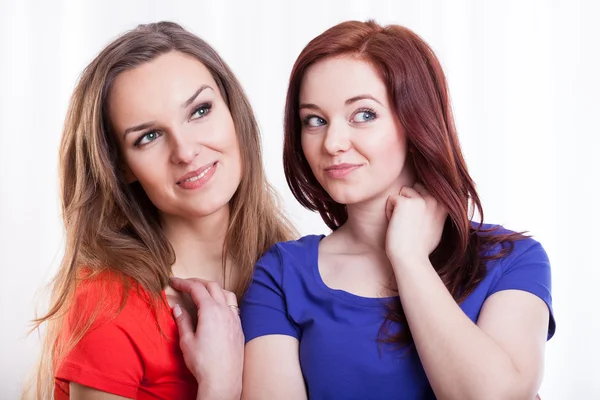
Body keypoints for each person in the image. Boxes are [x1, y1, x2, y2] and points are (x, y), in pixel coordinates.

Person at [237, 20, 555, 399]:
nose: (333, 142)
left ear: (416, 120)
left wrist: (408, 258)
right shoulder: (283, 274)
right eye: (315, 121)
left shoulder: (511, 260)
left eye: (364, 114)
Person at [26, 21, 295, 400]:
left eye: (200, 110)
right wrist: (219, 385)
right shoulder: (108, 306)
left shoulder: (296, 268)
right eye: (148, 136)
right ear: (120, 167)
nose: (185, 151)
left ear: (234, 112)